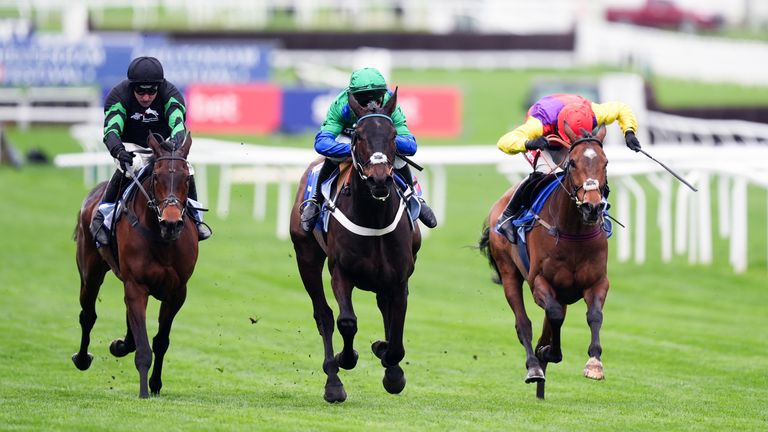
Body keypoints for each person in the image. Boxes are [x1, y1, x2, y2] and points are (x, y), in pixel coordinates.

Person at [90, 56, 211, 245]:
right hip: (130, 145)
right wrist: (118, 151)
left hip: (162, 145)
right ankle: (102, 215)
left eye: (152, 91)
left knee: (186, 167)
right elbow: (111, 130)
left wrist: (177, 142)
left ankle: (195, 217)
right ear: (132, 87)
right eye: (140, 91)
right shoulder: (119, 96)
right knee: (131, 166)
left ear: (159, 86)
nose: (146, 97)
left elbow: (178, 123)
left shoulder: (170, 94)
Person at [299, 67, 438, 232]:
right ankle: (316, 201)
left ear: (382, 94)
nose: (371, 105)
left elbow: (410, 144)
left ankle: (414, 197)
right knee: (333, 157)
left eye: (376, 99)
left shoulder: (390, 102)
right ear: (354, 98)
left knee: (399, 158)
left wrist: (384, 142)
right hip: (350, 138)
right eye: (364, 101)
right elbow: (322, 142)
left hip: (379, 141)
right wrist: (355, 148)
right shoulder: (342, 104)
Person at [495, 93, 641, 241]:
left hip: (576, 141)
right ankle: (507, 215)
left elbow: (622, 109)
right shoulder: (540, 122)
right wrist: (528, 143)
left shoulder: (593, 112)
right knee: (546, 171)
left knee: (590, 167)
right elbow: (504, 142)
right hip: (543, 142)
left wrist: (629, 132)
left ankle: (600, 209)